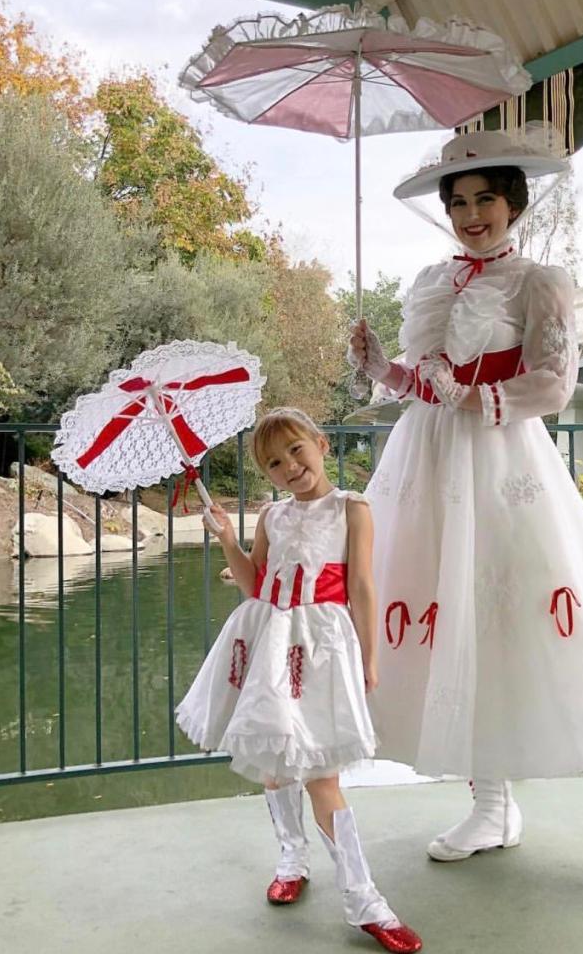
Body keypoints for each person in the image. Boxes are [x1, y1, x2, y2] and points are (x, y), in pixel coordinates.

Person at [348, 127, 583, 909]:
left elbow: (553, 383)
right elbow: (423, 382)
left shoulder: (539, 282)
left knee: (557, 632)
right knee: (457, 628)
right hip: (428, 465)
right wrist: (383, 367)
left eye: (486, 199)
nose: (472, 214)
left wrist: (474, 397)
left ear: (513, 203)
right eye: (459, 202)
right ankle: (491, 805)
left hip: (505, 465)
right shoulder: (429, 280)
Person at [176, 407, 422, 953]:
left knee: (322, 776)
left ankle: (365, 900)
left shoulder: (352, 509)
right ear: (266, 475)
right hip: (268, 641)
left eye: (296, 450)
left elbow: (361, 586)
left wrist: (370, 658)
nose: (289, 466)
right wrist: (226, 539)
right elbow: (254, 584)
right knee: (274, 762)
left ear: (320, 445)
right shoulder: (271, 516)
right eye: (274, 462)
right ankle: (292, 856)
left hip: (324, 647)